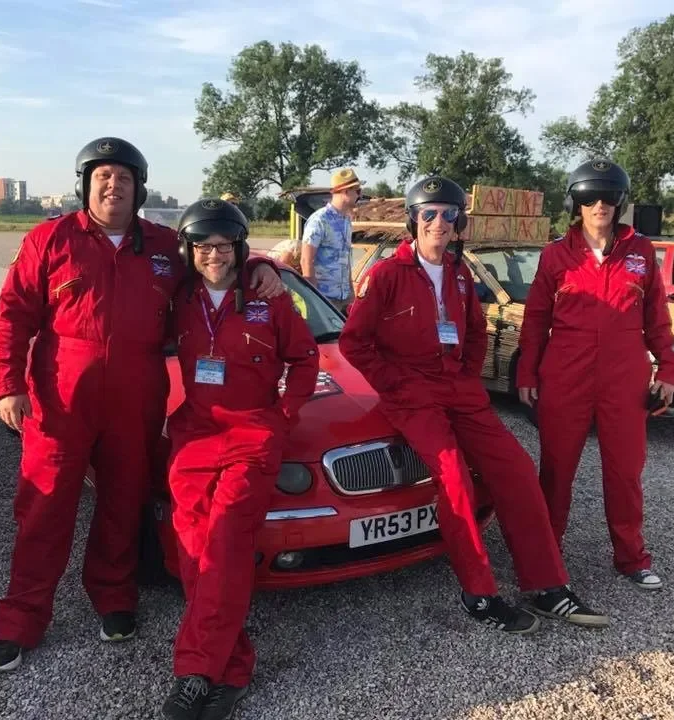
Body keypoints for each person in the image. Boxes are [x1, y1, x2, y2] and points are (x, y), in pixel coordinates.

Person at [0, 137, 284, 673]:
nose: (112, 185)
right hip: (60, 395)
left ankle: (114, 597)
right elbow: (14, 313)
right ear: (84, 184)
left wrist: (265, 264)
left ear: (138, 188)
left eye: (123, 178)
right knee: (44, 506)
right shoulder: (49, 241)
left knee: (125, 500)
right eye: (102, 176)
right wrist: (9, 384)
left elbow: (216, 253)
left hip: (137, 391)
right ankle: (21, 620)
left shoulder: (167, 246)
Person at [339, 175, 608, 634]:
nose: (438, 222)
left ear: (458, 221)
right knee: (456, 481)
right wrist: (395, 385)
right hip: (413, 396)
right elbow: (354, 343)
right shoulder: (386, 276)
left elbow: (477, 331)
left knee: (519, 470)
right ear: (413, 220)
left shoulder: (461, 273)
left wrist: (466, 374)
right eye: (428, 214)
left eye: (448, 214)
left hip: (460, 389)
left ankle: (546, 585)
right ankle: (479, 592)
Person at [160, 198, 319, 720]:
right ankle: (234, 665)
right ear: (189, 249)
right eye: (203, 246)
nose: (213, 256)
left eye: (224, 246)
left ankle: (195, 674)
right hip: (195, 435)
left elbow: (304, 359)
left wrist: (284, 414)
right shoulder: (178, 297)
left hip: (252, 432)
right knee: (192, 549)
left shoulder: (267, 298)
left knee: (226, 541)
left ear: (239, 249)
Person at [516, 158, 674, 592]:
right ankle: (547, 557)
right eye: (589, 197)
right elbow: (534, 320)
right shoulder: (555, 255)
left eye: (608, 197)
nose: (599, 205)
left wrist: (668, 365)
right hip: (565, 373)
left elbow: (656, 317)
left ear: (620, 202)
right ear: (577, 203)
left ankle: (631, 557)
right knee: (556, 469)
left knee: (625, 471)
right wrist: (527, 374)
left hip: (623, 376)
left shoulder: (641, 252)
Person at [300, 168, 361, 313]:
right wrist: (314, 300)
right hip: (324, 300)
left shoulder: (347, 220)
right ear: (346, 191)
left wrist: (351, 294)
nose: (360, 195)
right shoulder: (319, 220)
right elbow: (306, 261)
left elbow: (345, 261)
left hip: (344, 299)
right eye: (357, 191)